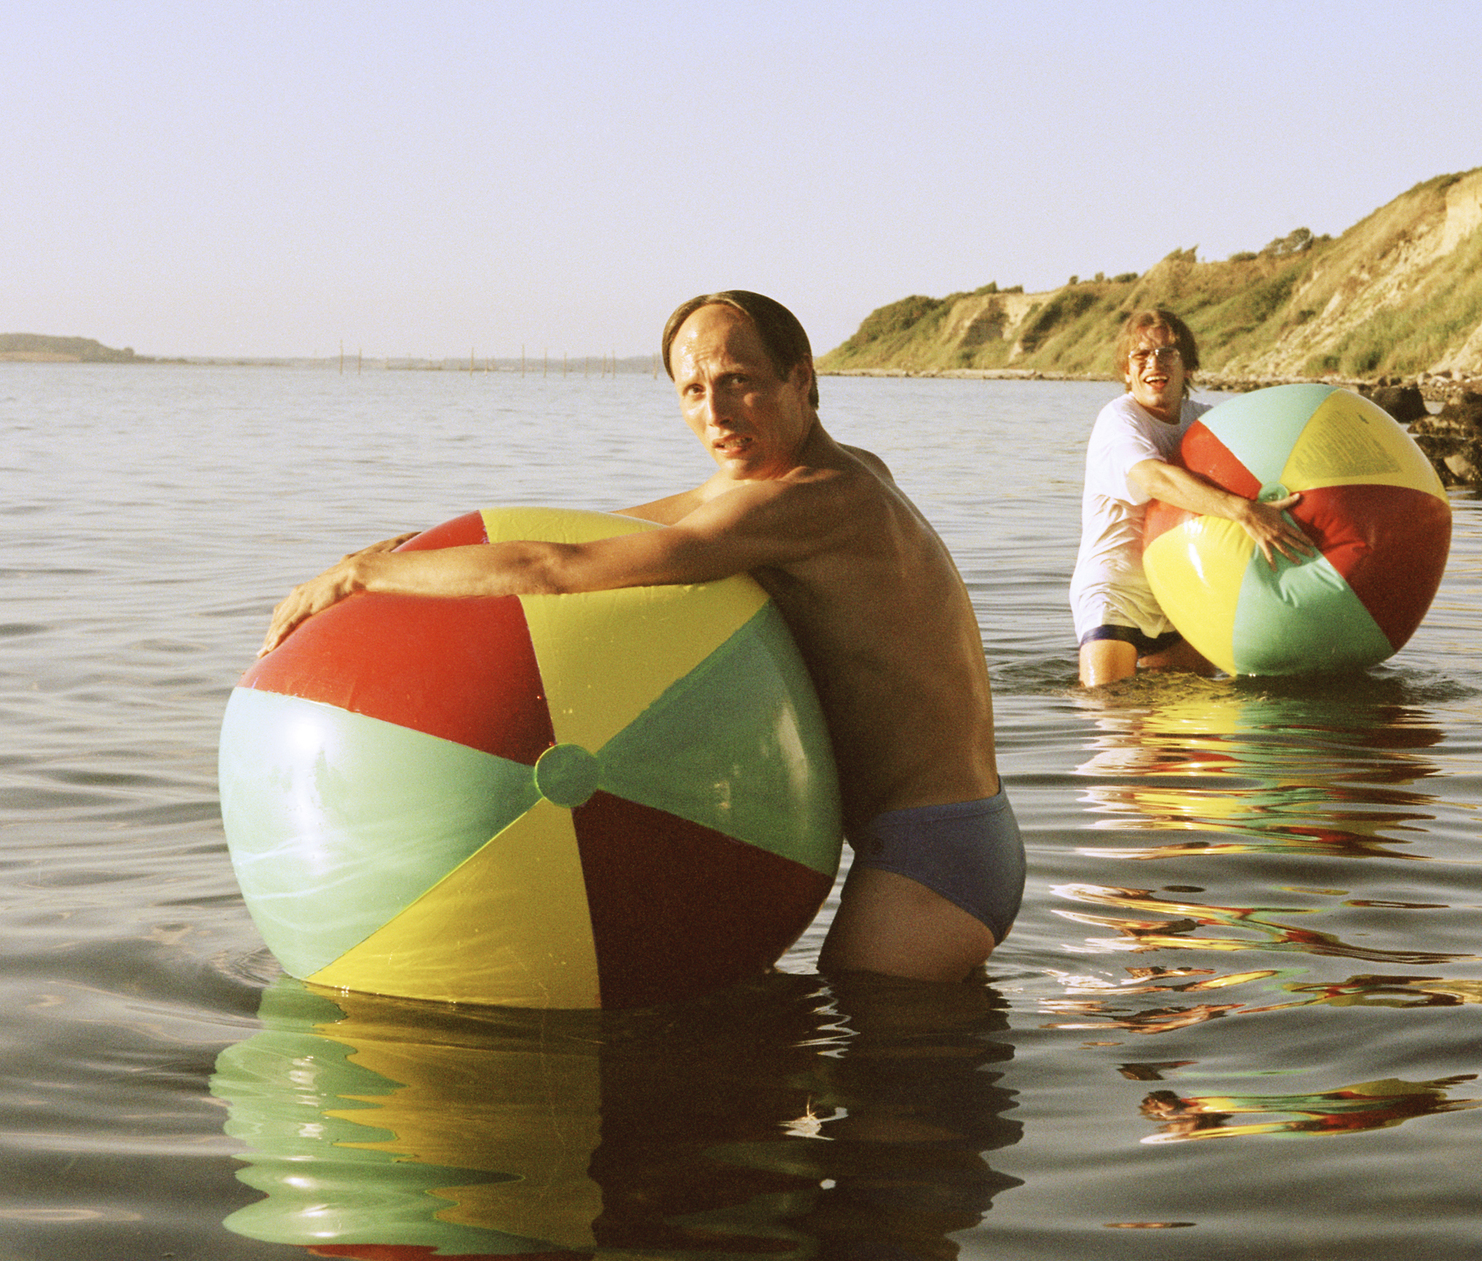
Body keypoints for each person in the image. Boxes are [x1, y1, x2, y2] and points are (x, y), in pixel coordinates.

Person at [260, 291, 1021, 983]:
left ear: (802, 380)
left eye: (738, 380)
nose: (716, 412)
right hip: (937, 839)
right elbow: (607, 530)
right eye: (693, 390)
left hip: (935, 857)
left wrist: (364, 580)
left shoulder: (814, 502)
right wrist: (421, 553)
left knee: (890, 1081)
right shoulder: (821, 477)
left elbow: (565, 568)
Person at [1069, 308, 1315, 687]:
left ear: (1189, 368)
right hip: (1116, 591)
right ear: (1126, 371)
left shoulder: (1208, 423)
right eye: (1141, 355)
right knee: (1113, 716)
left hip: (1184, 587)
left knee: (1188, 726)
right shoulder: (1119, 419)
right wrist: (1245, 512)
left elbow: (1266, 463)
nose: (1154, 362)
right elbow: (1154, 478)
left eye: (1167, 353)